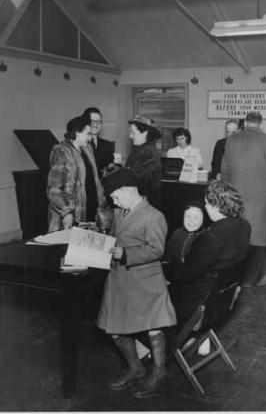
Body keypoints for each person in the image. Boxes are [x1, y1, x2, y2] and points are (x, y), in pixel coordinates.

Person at [97, 169, 176, 399]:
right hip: (119, 279)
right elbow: (115, 237)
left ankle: (159, 371)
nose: (113, 201)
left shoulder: (154, 216)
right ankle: (136, 368)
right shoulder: (121, 212)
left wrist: (125, 253)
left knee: (153, 329)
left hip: (145, 281)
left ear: (129, 191)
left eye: (116, 196)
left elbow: (156, 249)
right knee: (115, 330)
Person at [221, 111, 266, 286]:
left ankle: (265, 271)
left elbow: (224, 167)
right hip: (258, 196)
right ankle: (252, 277)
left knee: (240, 236)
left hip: (235, 196)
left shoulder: (231, 140)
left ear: (245, 123)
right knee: (257, 237)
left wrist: (225, 188)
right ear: (261, 124)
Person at [165, 181, 251, 325]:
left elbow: (186, 273)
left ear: (215, 206)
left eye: (206, 203)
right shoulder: (244, 226)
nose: (205, 207)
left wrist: (165, 271)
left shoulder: (210, 238)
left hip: (202, 301)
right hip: (225, 295)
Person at [46, 115, 104, 231]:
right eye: (88, 134)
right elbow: (54, 190)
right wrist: (66, 212)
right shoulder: (61, 152)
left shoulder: (88, 150)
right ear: (77, 133)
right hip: (70, 214)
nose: (90, 138)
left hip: (89, 209)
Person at [125, 114, 163, 210]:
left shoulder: (148, 153)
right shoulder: (142, 150)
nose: (130, 136)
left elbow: (135, 180)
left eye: (133, 132)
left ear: (145, 133)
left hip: (144, 209)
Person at [82, 107, 115, 176]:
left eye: (98, 122)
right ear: (85, 122)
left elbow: (111, 168)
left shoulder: (107, 145)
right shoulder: (78, 144)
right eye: (93, 121)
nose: (96, 125)